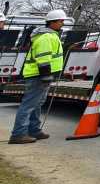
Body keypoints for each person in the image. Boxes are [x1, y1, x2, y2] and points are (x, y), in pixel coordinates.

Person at [8, 9, 66, 144]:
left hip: (41, 75)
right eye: (60, 21)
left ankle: (34, 130)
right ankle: (18, 134)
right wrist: (46, 75)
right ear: (52, 22)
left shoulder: (50, 35)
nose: (62, 24)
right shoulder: (46, 37)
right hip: (38, 75)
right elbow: (43, 57)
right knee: (28, 105)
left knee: (37, 104)